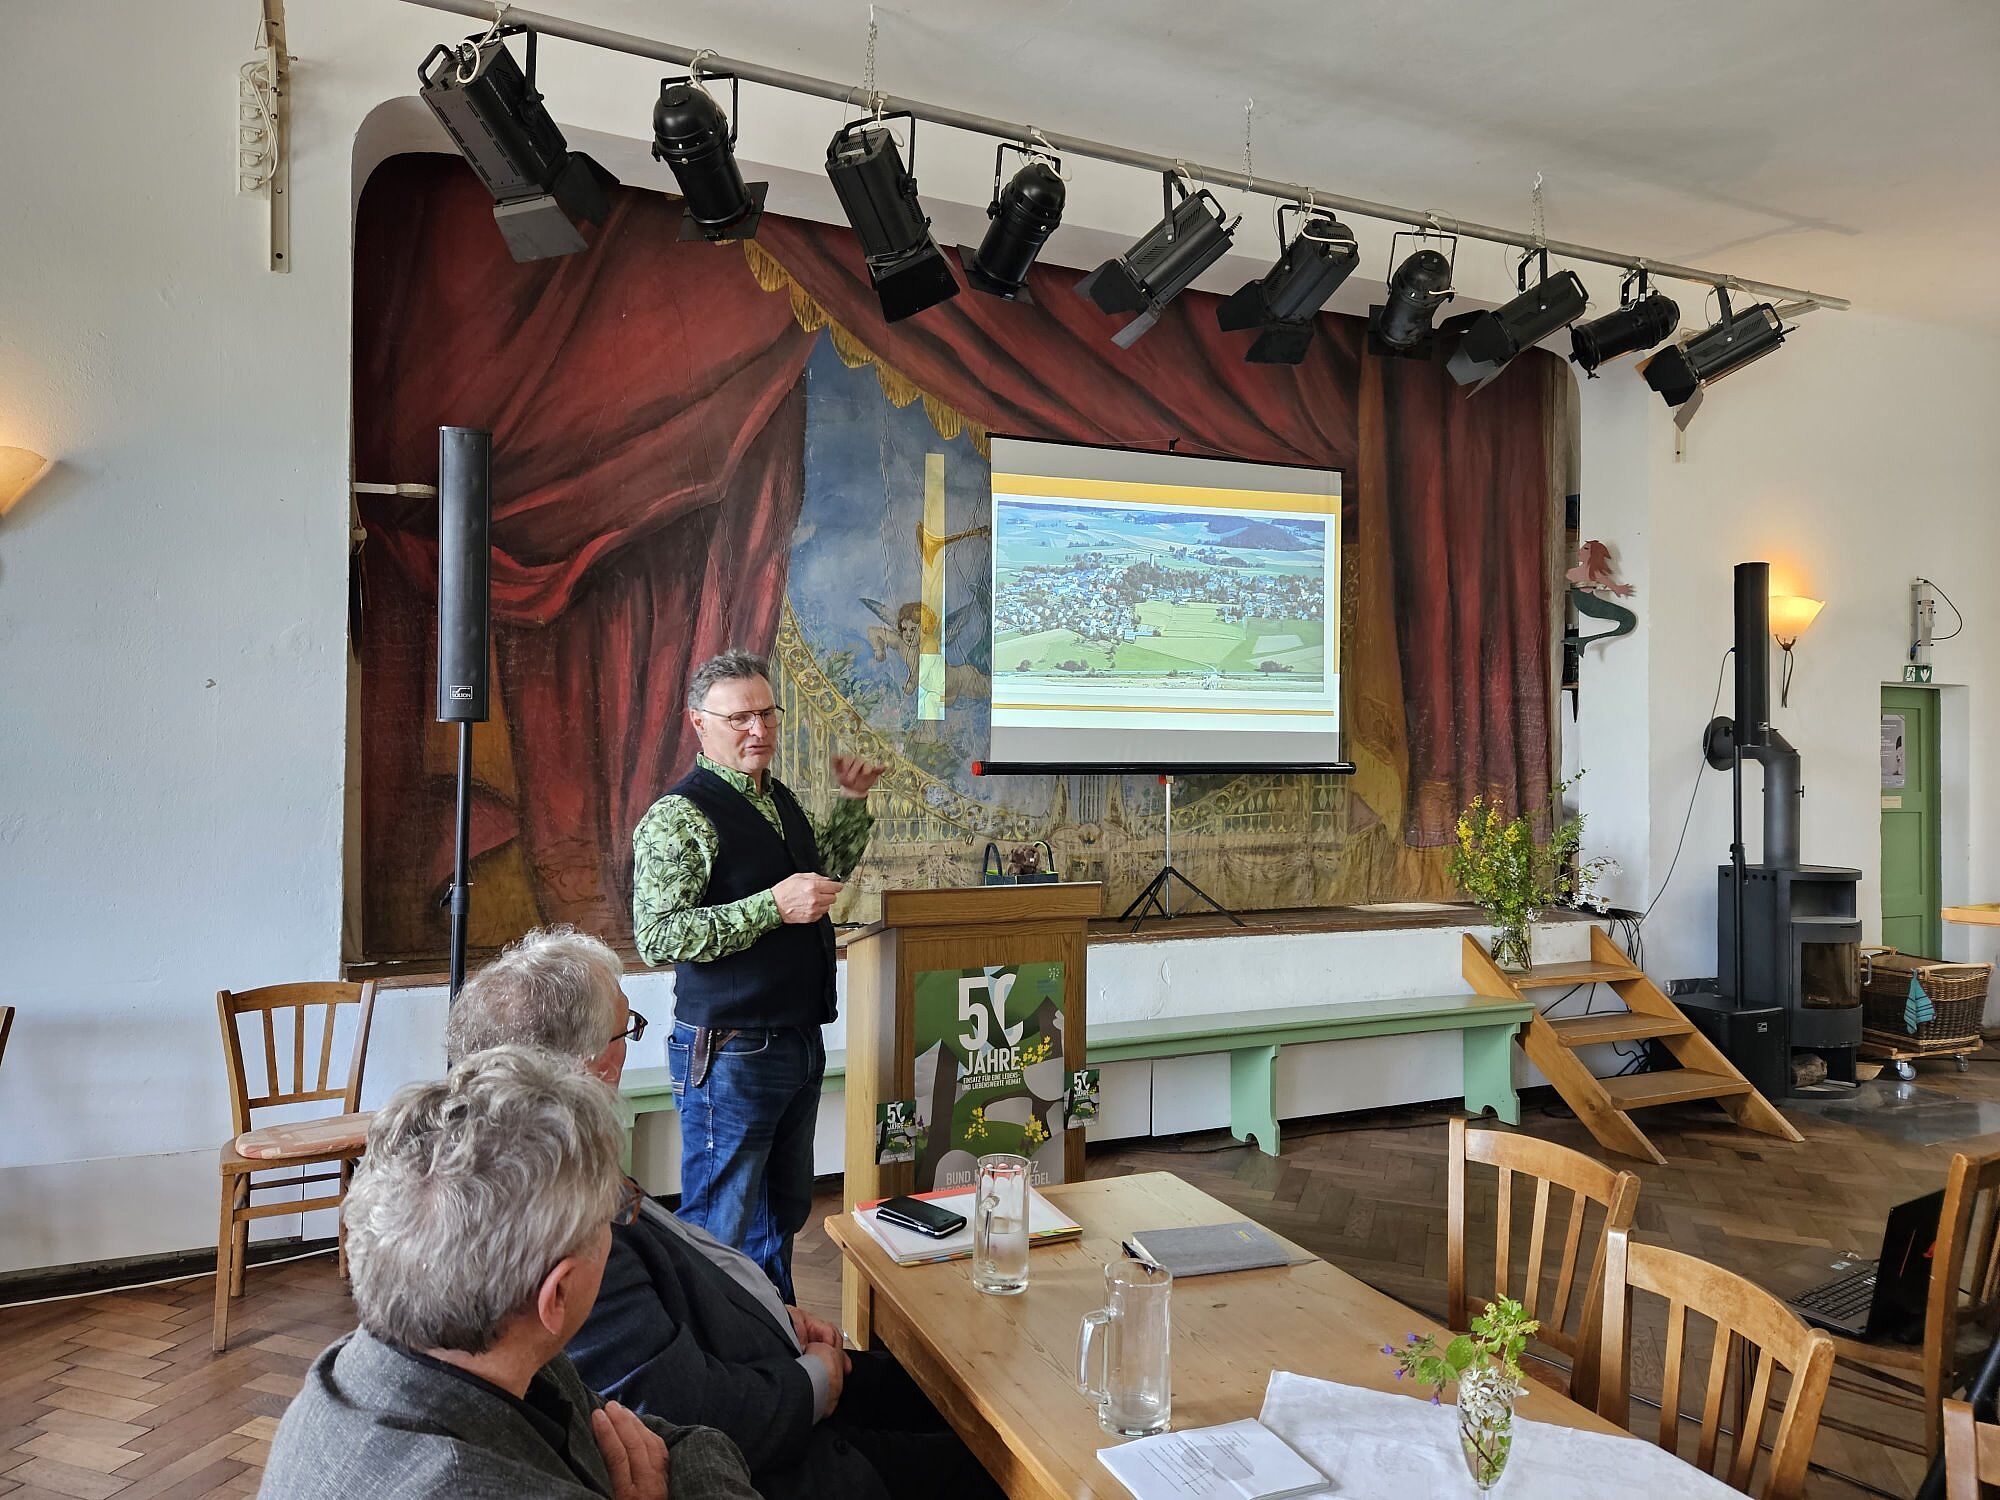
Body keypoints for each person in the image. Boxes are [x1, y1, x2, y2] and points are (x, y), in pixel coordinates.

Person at [448, 929, 1000, 1500]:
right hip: (779, 1443)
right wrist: (814, 1379)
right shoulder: (555, 1222)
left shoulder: (538, 1162)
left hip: (774, 1366)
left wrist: (773, 1318)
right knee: (989, 1456)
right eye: (626, 1030)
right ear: (585, 1065)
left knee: (964, 1394)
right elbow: (684, 1411)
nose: (628, 1050)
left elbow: (686, 1272)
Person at [259, 1046, 761, 1500]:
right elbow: (680, 1445)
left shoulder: (381, 1359)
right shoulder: (472, 1479)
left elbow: (674, 1437)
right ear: (557, 1293)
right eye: (614, 1213)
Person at [630, 649, 884, 1299]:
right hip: (730, 1047)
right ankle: (704, 1373)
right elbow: (657, 937)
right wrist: (771, 907)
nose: (759, 730)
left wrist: (852, 801)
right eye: (740, 717)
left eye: (767, 713)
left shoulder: (779, 800)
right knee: (721, 1225)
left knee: (778, 1215)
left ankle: (772, 1347)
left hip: (796, 1037)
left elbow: (817, 875)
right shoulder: (678, 816)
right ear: (698, 723)